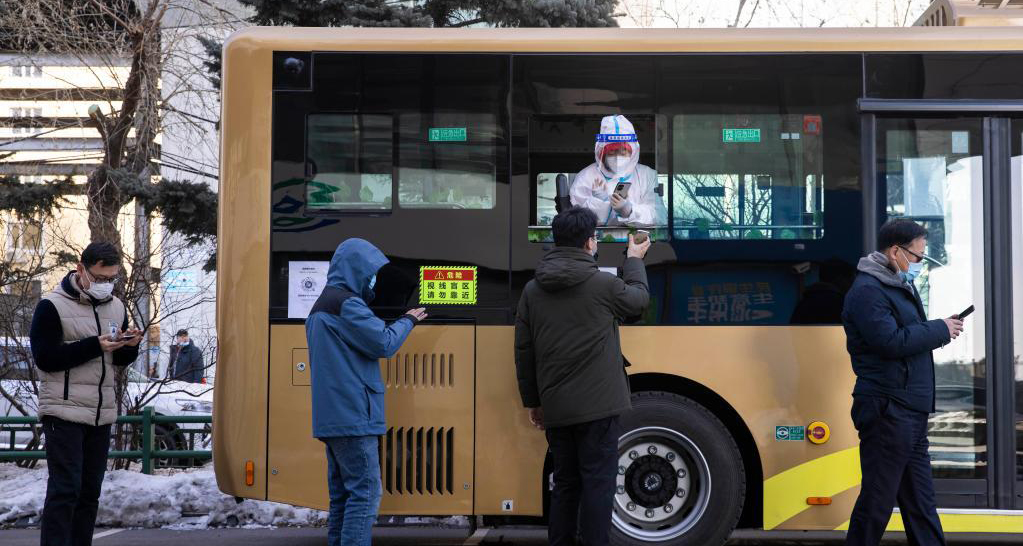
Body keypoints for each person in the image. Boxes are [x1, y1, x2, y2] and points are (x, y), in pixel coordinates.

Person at [514, 206, 651, 546]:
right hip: (600, 408)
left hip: (557, 407)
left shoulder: (533, 290)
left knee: (566, 483)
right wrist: (634, 259)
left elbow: (524, 351)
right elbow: (638, 303)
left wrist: (533, 402)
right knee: (597, 484)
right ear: (590, 243)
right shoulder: (603, 284)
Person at [842, 219, 964, 546]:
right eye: (918, 256)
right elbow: (890, 342)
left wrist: (940, 330)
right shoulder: (868, 290)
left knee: (920, 505)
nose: (921, 264)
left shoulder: (894, 284)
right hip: (889, 411)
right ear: (895, 251)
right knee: (877, 503)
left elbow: (904, 340)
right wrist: (940, 329)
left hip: (907, 410)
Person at [305, 238, 428, 546]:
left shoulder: (322, 304)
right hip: (354, 414)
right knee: (366, 494)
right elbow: (383, 343)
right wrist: (408, 320)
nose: (372, 278)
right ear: (357, 269)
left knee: (343, 498)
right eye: (370, 272)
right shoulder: (347, 304)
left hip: (333, 417)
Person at [29, 241, 142, 546]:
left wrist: (130, 347)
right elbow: (45, 358)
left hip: (100, 413)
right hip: (63, 412)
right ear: (81, 270)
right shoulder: (51, 305)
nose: (107, 286)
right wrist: (95, 344)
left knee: (90, 492)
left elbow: (116, 360)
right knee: (65, 490)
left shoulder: (116, 307)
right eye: (101, 278)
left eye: (112, 279)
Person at [570, 114, 668, 227]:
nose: (617, 157)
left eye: (623, 151)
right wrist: (599, 201)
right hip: (598, 243)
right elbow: (577, 222)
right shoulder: (586, 176)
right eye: (612, 152)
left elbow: (659, 216)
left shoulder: (647, 175)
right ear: (602, 152)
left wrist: (629, 210)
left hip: (640, 243)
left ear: (633, 152)